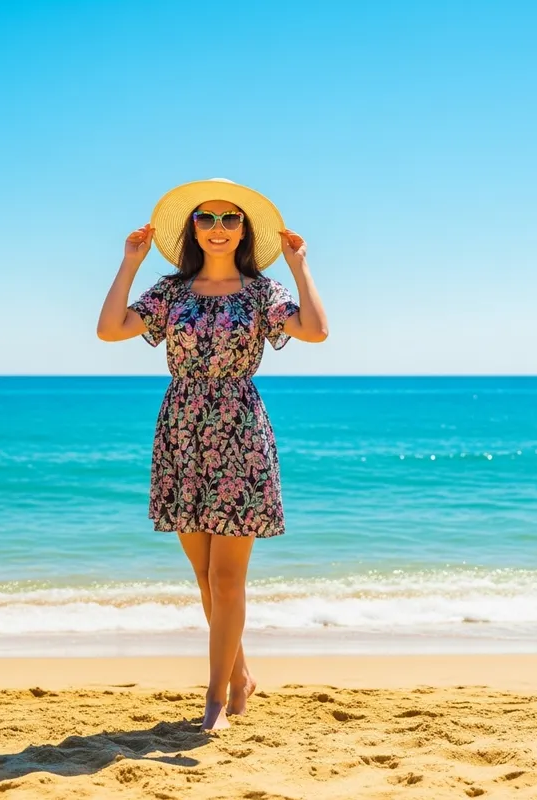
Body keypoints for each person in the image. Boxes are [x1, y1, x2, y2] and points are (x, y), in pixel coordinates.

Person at [97, 178, 329, 731]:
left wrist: (300, 266)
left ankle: (216, 699)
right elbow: (110, 330)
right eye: (207, 218)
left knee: (227, 579)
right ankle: (241, 671)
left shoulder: (261, 292)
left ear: (245, 230)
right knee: (204, 576)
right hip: (181, 431)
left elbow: (316, 331)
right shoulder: (171, 292)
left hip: (239, 434)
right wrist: (129, 263)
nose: (219, 228)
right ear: (192, 228)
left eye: (230, 219)